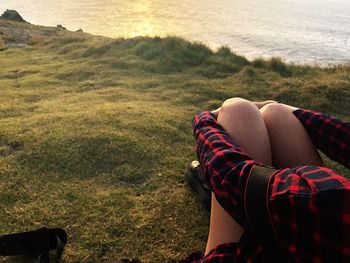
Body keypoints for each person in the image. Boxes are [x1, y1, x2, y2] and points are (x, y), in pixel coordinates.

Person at [181, 98, 350, 262]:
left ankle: (218, 197)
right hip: (308, 229)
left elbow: (239, 179)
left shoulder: (332, 202)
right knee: (275, 114)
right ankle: (217, 196)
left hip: (247, 249)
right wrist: (286, 108)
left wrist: (203, 120)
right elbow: (343, 138)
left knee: (238, 112)